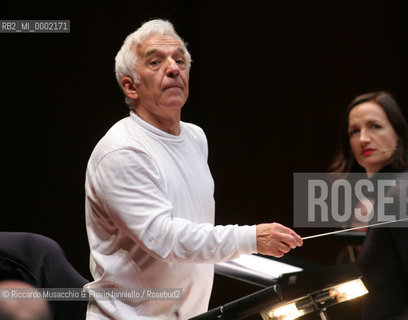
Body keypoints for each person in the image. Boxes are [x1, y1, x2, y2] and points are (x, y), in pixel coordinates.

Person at [84, 19, 303, 320]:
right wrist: (251, 239)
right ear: (130, 86)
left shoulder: (196, 137)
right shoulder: (122, 151)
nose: (173, 68)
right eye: (156, 61)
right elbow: (165, 239)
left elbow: (195, 235)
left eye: (179, 60)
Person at [328, 91, 408, 319]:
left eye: (375, 127)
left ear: (397, 134)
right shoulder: (394, 189)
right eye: (354, 131)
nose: (363, 139)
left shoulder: (399, 193)